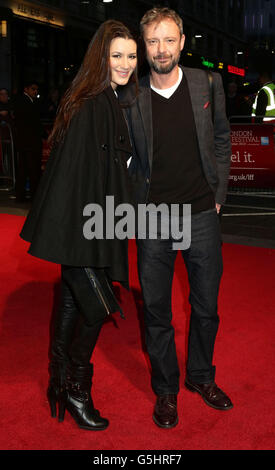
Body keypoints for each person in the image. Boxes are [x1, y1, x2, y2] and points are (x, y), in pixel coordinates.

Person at [20, 20, 137, 431]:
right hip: (86, 228)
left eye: (130, 56)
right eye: (117, 55)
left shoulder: (102, 98)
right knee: (96, 307)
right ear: (101, 58)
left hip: (90, 225)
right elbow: (78, 177)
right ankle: (75, 388)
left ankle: (59, 383)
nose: (125, 63)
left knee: (74, 302)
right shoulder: (94, 103)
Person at [119, 7, 233, 429]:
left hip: (202, 214)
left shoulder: (209, 83)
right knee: (156, 311)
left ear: (183, 42)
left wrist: (218, 195)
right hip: (153, 220)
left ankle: (201, 377)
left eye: (169, 40)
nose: (162, 49)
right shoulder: (132, 95)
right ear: (144, 46)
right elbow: (122, 155)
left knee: (206, 308)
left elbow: (221, 138)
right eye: (153, 41)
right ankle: (166, 389)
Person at [13, 81, 43, 201]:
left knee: (25, 169)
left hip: (26, 141)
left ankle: (22, 196)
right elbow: (33, 122)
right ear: (26, 89)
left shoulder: (28, 102)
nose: (35, 92)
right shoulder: (25, 102)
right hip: (29, 142)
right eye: (33, 89)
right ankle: (32, 195)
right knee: (31, 169)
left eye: (36, 89)